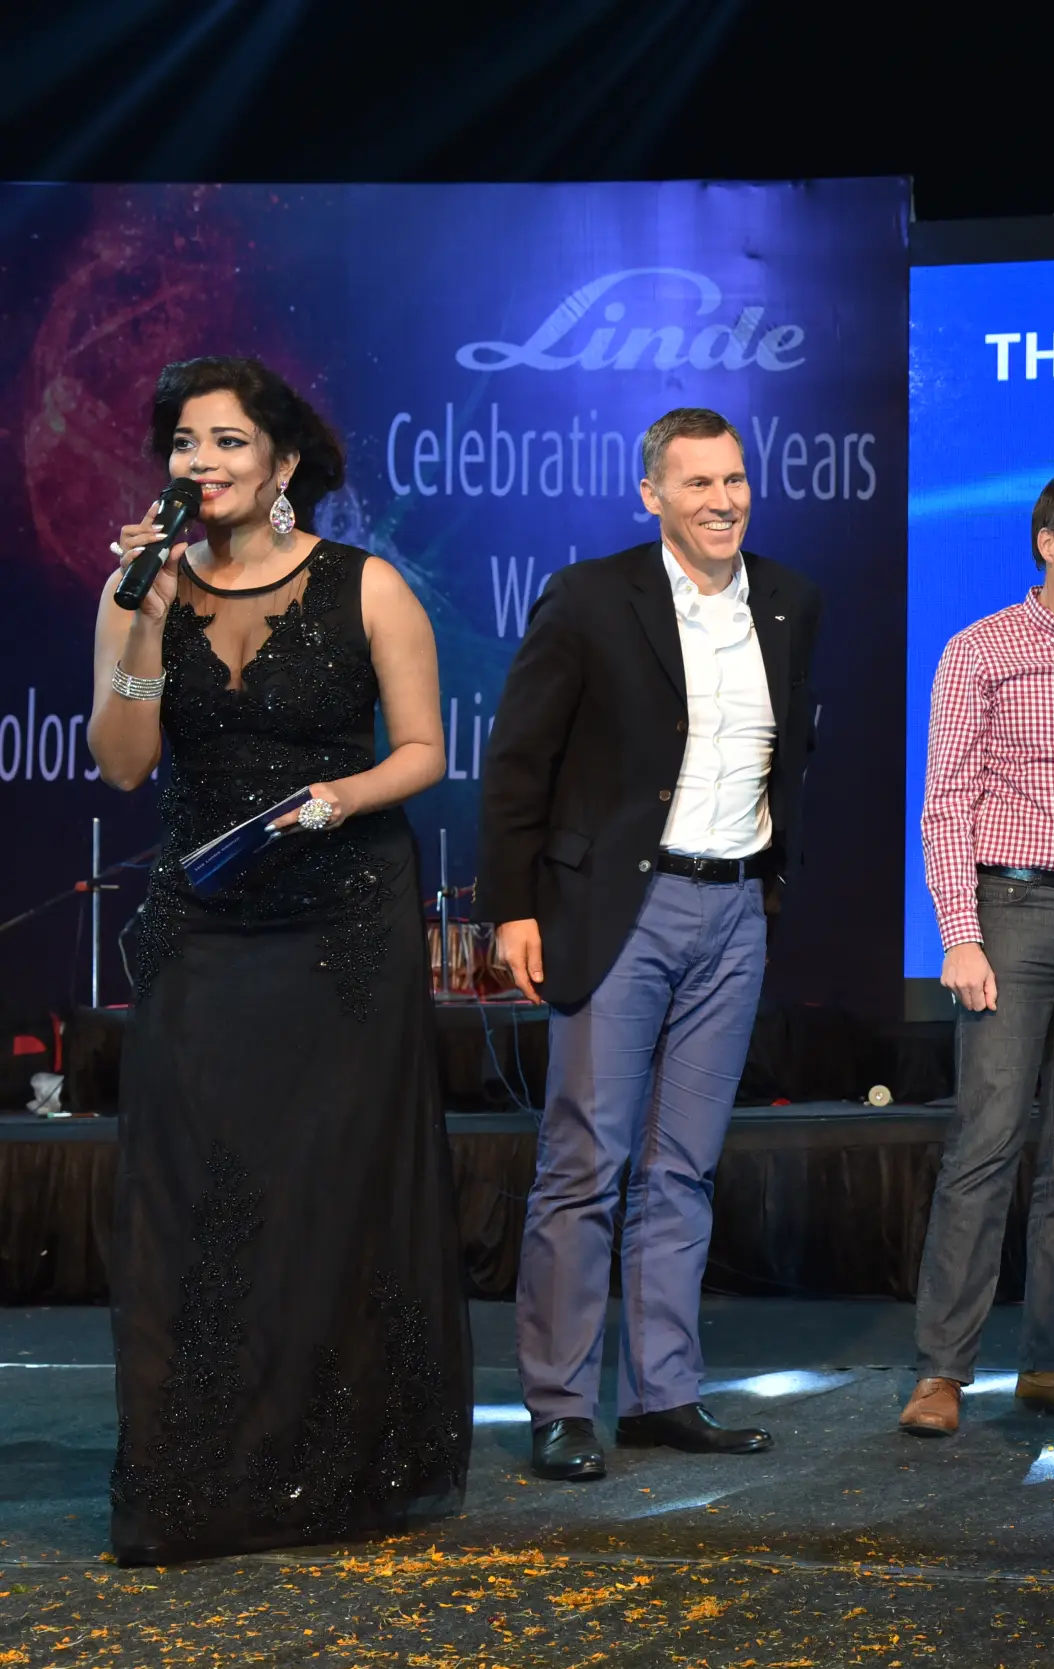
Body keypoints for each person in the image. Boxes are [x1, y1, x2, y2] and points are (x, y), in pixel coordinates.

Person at [90, 356, 469, 1564]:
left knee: (324, 1191)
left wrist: (333, 798)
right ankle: (196, 1473)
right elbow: (123, 762)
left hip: (341, 918)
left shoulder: (368, 588)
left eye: (229, 443)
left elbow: (422, 751)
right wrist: (144, 619)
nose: (203, 464)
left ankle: (328, 1469)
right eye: (187, 444)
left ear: (284, 464)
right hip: (204, 924)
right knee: (193, 1190)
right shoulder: (136, 589)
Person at [479, 408, 823, 1483]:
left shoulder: (791, 600)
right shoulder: (589, 599)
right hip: (617, 910)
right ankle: (561, 1402)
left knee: (685, 1168)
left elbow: (789, 750)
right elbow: (518, 760)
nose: (724, 499)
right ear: (652, 496)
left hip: (733, 912)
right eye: (699, 483)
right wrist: (516, 906)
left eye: (736, 479)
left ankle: (663, 1392)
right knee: (586, 1161)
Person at [899, 472, 1054, 1439]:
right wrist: (958, 933)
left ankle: (1051, 1363)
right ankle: (941, 1371)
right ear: (1049, 542)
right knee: (988, 1143)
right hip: (1013, 910)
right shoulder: (982, 649)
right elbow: (945, 802)